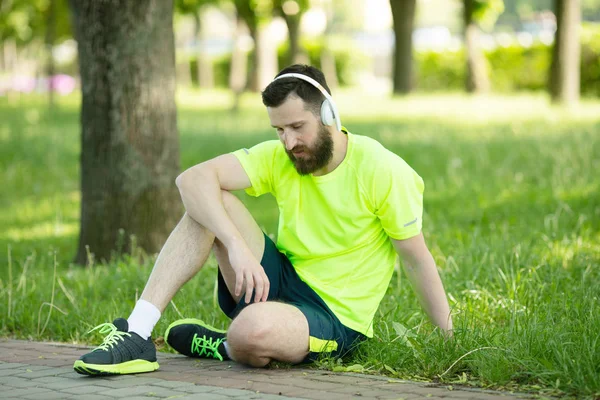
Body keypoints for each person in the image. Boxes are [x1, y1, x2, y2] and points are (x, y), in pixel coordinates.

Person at [73, 64, 453, 376]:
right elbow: (190, 180)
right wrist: (236, 246)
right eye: (279, 130)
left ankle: (227, 343)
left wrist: (449, 342)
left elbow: (416, 259)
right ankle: (137, 332)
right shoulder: (279, 157)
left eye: (297, 127)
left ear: (329, 114)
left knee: (250, 334)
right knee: (207, 199)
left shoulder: (383, 170)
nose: (288, 143)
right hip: (278, 277)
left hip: (334, 315)